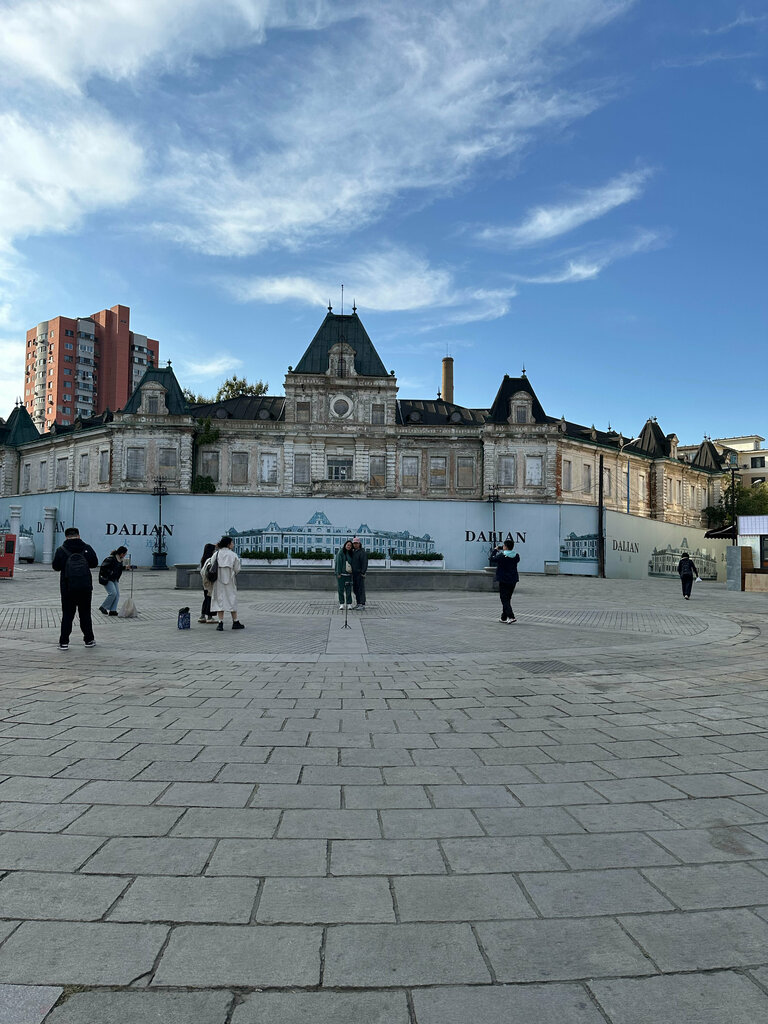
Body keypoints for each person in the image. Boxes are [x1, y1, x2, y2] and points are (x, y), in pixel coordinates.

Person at [52, 526, 99, 649]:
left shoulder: (61, 550)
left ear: (66, 537)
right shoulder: (87, 548)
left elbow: (56, 567)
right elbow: (94, 563)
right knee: (85, 614)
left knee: (67, 615)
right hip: (85, 587)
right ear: (78, 535)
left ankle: (64, 642)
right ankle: (89, 640)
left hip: (67, 588)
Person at [209, 535, 244, 631]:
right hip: (230, 581)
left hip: (218, 581)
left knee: (219, 601)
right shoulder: (233, 555)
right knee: (232, 599)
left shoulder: (216, 554)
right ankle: (235, 621)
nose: (233, 545)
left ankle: (220, 622)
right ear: (228, 544)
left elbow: (211, 565)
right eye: (232, 543)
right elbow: (237, 568)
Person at [490, 539, 520, 623]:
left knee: (504, 598)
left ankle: (511, 616)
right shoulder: (516, 556)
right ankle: (503, 617)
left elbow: (491, 559)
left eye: (504, 545)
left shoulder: (502, 556)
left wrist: (495, 550)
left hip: (504, 580)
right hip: (513, 580)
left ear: (505, 546)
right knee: (507, 598)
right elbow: (514, 559)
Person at [98, 546, 127, 616]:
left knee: (117, 595)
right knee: (113, 593)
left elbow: (118, 569)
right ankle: (103, 607)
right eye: (125, 554)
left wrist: (125, 568)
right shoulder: (111, 559)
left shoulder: (120, 560)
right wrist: (111, 573)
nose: (125, 555)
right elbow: (103, 568)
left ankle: (113, 610)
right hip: (107, 578)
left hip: (114, 579)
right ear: (121, 553)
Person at [198, 542, 217, 623]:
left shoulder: (203, 559)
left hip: (204, 582)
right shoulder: (210, 560)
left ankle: (202, 616)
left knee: (206, 598)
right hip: (209, 582)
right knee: (210, 598)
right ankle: (209, 617)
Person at [334, 540, 354, 610]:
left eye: (350, 546)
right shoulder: (341, 552)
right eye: (348, 545)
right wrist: (338, 573)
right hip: (341, 575)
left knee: (348, 590)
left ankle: (349, 604)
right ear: (345, 545)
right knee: (341, 590)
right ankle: (341, 603)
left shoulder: (351, 553)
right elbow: (338, 563)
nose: (349, 546)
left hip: (349, 574)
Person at [350, 536, 368, 608]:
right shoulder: (354, 552)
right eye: (354, 543)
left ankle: (362, 603)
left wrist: (363, 572)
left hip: (359, 574)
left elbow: (364, 563)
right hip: (354, 574)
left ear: (359, 544)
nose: (355, 545)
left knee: (360, 589)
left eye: (356, 543)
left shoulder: (362, 552)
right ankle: (358, 603)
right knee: (355, 589)